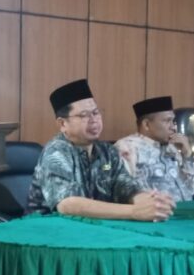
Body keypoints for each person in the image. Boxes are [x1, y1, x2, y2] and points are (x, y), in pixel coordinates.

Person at [25, 79, 175, 222]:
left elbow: (125, 186)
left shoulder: (107, 151)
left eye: (96, 113)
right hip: (46, 228)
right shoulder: (56, 152)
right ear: (63, 124)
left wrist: (148, 201)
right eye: (84, 115)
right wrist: (134, 212)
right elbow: (68, 204)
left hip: (90, 226)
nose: (94, 120)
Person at [114, 96, 194, 202]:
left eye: (173, 121)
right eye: (167, 121)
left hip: (185, 207)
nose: (173, 127)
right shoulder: (127, 147)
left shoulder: (172, 148)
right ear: (146, 125)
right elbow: (124, 192)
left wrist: (187, 156)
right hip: (155, 210)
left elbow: (191, 189)